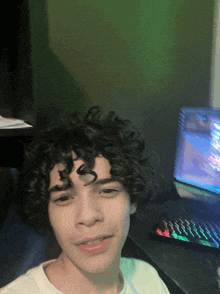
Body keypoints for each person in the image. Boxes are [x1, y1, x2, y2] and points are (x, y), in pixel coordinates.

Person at [0, 106, 170, 294]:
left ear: (133, 199)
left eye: (107, 191)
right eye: (64, 198)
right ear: (47, 210)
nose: (88, 216)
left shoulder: (147, 278)